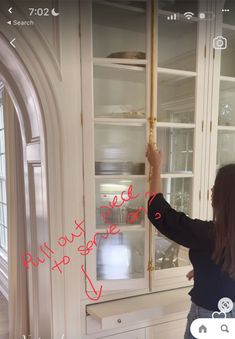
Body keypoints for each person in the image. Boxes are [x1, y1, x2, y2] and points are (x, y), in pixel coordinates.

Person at [145, 143, 235, 339]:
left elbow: (158, 211)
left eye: (216, 187)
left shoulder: (208, 234)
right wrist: (209, 269)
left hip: (211, 317)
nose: (211, 190)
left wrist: (156, 166)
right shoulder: (217, 237)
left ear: (224, 197)